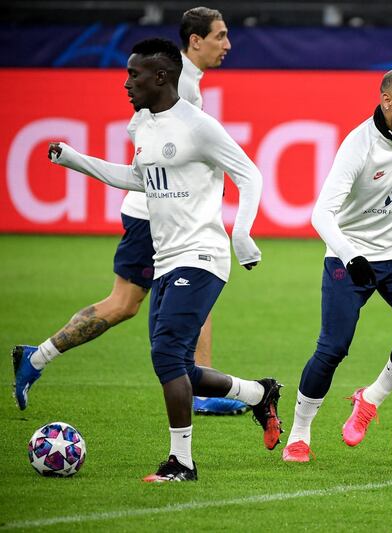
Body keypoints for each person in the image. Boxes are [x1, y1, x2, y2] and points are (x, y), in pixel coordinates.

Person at [46, 38, 282, 481]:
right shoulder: (142, 126)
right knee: (180, 365)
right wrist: (75, 161)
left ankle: (182, 463)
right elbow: (139, 179)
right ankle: (258, 394)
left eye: (134, 74)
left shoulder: (199, 126)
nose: (126, 82)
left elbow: (249, 173)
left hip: (204, 255)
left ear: (161, 76)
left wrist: (243, 233)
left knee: (167, 358)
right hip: (166, 256)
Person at [12, 6, 247, 416]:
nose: (227, 44)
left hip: (156, 211)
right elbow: (146, 151)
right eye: (220, 36)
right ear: (195, 41)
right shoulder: (180, 88)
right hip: (153, 215)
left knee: (141, 301)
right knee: (138, 300)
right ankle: (199, 387)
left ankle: (38, 356)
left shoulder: (183, 82)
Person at [281, 68, 392, 462]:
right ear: (388, 102)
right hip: (349, 255)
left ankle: (369, 400)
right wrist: (350, 256)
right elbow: (321, 213)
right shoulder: (358, 145)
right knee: (333, 348)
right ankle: (299, 435)